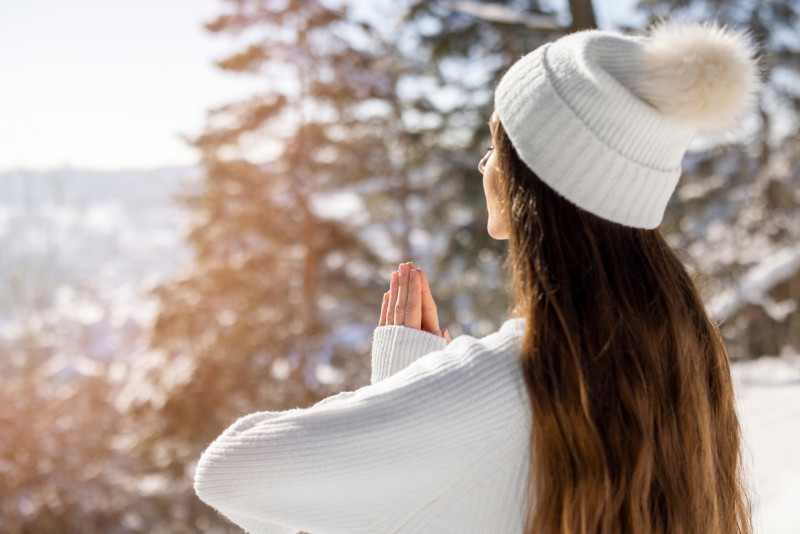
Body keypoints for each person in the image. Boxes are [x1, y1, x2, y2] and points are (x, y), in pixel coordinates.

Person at [194, 19, 760, 534]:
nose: (485, 165)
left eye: (497, 146)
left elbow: (230, 471)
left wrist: (408, 391)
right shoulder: (684, 358)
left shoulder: (509, 378)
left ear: (533, 180)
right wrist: (418, 396)